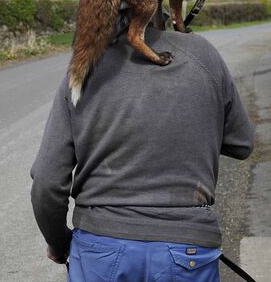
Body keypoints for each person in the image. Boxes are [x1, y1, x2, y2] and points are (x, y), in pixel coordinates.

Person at [30, 20, 254, 281]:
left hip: (101, 251)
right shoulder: (202, 53)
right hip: (187, 247)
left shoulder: (82, 68)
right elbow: (242, 143)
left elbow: (47, 181)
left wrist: (58, 244)